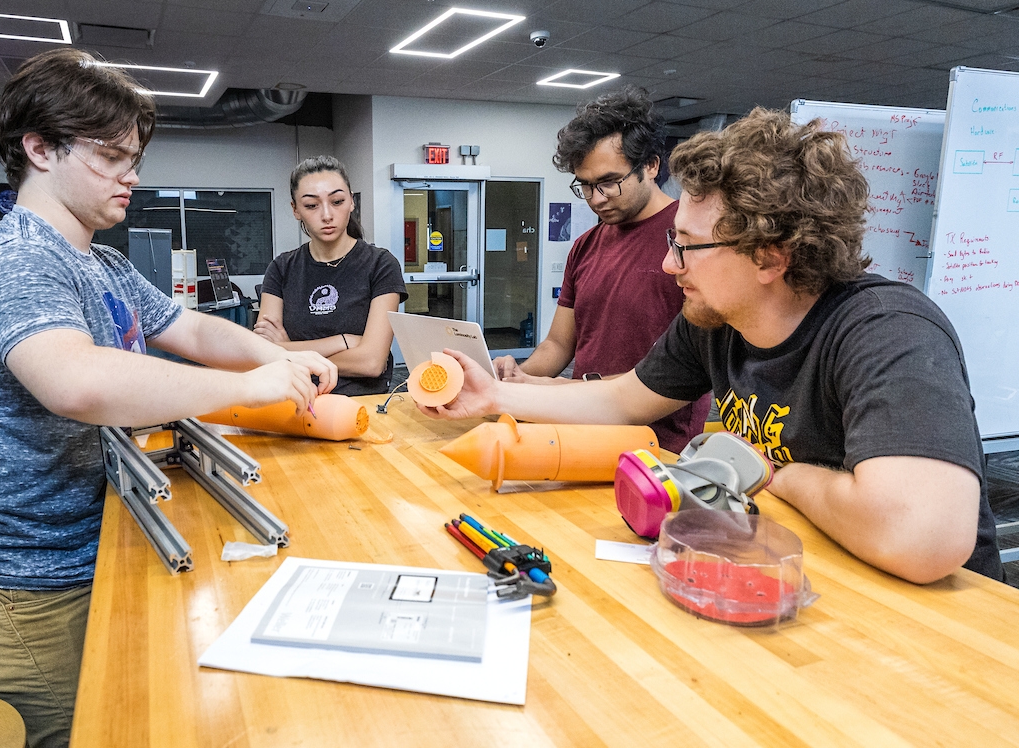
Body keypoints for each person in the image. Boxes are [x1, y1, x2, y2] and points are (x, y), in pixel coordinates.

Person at [0, 48, 336, 748]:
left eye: (133, 155)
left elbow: (190, 327)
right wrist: (249, 386)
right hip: (18, 580)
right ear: (40, 149)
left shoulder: (99, 261)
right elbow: (77, 381)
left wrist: (283, 357)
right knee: (85, 732)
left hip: (86, 549)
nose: (132, 174)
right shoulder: (14, 257)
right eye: (111, 155)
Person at [419, 107, 1003, 585]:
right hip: (806, 572)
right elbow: (622, 401)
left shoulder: (887, 331)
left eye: (688, 247)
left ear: (771, 256)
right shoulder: (716, 320)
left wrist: (777, 477)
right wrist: (493, 394)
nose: (670, 265)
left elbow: (921, 538)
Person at [492, 87, 707, 453]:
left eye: (608, 182)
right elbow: (559, 344)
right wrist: (521, 375)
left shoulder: (689, 241)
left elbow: (680, 374)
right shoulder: (586, 246)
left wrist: (562, 390)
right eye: (586, 186)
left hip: (659, 445)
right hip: (584, 428)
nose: (596, 198)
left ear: (652, 165)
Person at [254, 155, 407, 396]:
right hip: (296, 401)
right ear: (295, 210)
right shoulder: (282, 268)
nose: (326, 215)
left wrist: (287, 350)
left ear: (351, 202)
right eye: (312, 205)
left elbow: (371, 362)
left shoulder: (380, 264)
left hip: (361, 405)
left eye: (337, 201)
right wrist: (343, 341)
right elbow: (265, 354)